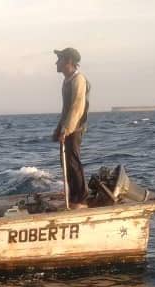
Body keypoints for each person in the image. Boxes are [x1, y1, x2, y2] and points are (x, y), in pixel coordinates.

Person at [53, 47, 90, 209]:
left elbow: (77, 107)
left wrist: (66, 129)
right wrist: (59, 128)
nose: (56, 63)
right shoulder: (66, 81)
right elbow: (65, 108)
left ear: (68, 61)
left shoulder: (78, 80)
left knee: (73, 161)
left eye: (59, 59)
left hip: (75, 128)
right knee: (65, 161)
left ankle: (80, 199)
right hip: (67, 127)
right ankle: (73, 195)